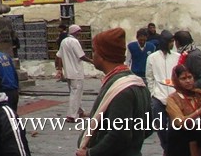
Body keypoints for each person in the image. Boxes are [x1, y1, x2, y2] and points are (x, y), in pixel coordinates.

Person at [74, 27, 152, 156]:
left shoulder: (121, 88)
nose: (93, 55)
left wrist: (91, 153)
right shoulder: (136, 82)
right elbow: (148, 128)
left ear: (103, 55)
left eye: (95, 51)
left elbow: (119, 135)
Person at [164, 63, 201, 156]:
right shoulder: (172, 99)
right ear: (176, 80)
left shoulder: (200, 94)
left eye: (190, 77)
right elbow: (180, 122)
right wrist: (200, 110)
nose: (188, 81)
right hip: (181, 143)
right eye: (183, 78)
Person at [147, 30, 180, 152]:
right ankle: (166, 147)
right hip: (158, 96)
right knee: (160, 126)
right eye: (170, 41)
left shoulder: (177, 57)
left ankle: (171, 149)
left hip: (174, 96)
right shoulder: (152, 58)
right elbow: (149, 77)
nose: (172, 44)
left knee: (174, 126)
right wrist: (153, 92)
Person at [58, 24, 90, 120]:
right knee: (76, 93)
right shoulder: (74, 41)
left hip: (68, 72)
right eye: (79, 32)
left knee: (75, 92)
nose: (80, 33)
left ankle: (80, 112)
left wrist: (60, 69)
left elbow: (58, 56)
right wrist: (93, 62)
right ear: (75, 32)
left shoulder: (64, 41)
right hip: (76, 72)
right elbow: (81, 56)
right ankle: (72, 115)